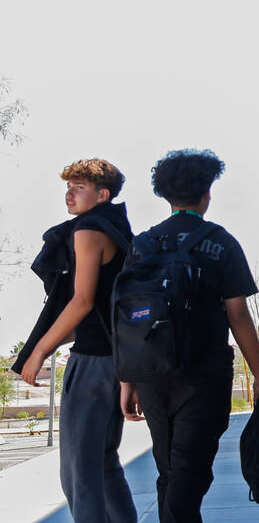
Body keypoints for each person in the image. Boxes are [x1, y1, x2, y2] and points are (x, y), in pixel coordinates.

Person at [119, 149, 259, 520]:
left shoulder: (142, 245)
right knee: (189, 469)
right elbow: (237, 315)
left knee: (169, 470)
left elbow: (128, 318)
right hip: (204, 373)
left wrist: (127, 380)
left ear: (165, 195)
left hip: (152, 373)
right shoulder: (220, 243)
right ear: (207, 194)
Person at [17, 159, 137, 523]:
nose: (69, 193)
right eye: (68, 186)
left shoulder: (87, 230)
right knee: (104, 463)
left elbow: (82, 300)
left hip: (92, 364)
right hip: (117, 359)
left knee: (78, 473)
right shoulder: (119, 229)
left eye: (79, 187)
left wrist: (39, 350)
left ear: (102, 194)